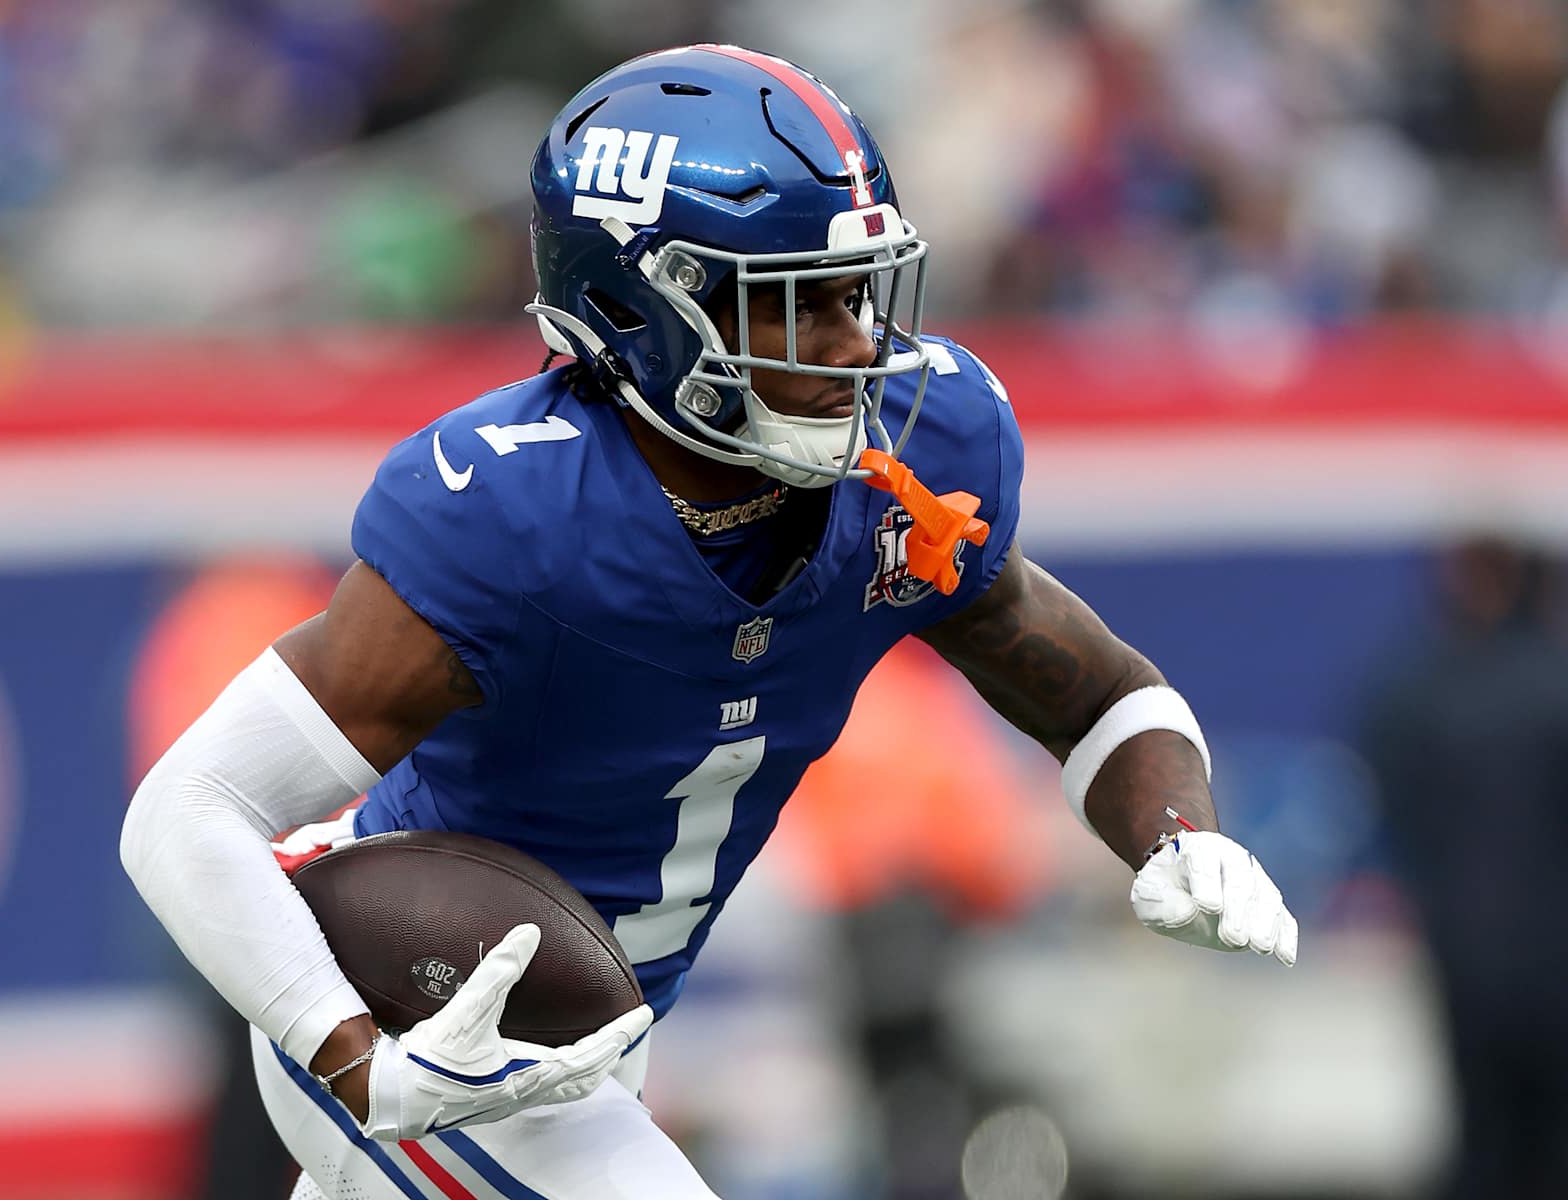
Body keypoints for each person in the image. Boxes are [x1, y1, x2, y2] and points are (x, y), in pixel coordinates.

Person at [120, 44, 1298, 1200]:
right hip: (425, 1014)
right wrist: (357, 1060)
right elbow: (189, 810)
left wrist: (1177, 832)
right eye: (795, 305)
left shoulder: (918, 458)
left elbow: (1091, 692)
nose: (855, 345)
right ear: (642, 309)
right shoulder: (520, 512)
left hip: (588, 1045)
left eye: (857, 291)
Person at [1357, 538, 1568, 1199]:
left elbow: (1389, 797)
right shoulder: (1552, 685)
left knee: (1482, 1135)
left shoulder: (1417, 691)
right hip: (1544, 951)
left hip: (1464, 946)